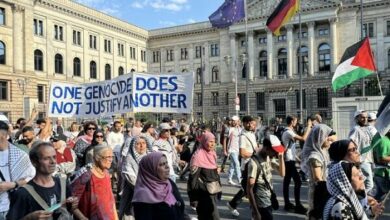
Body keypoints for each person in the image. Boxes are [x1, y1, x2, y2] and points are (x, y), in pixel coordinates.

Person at [7, 141, 85, 220]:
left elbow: (72, 209)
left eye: (54, 157)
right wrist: (30, 218)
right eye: (46, 158)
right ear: (34, 162)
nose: (53, 162)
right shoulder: (23, 193)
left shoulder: (62, 183)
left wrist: (75, 209)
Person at [132, 152, 185, 220]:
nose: (167, 167)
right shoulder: (143, 194)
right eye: (161, 164)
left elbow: (181, 210)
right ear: (151, 169)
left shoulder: (169, 183)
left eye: (166, 163)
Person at [71, 144, 118, 219]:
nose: (111, 160)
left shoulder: (106, 173)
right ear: (97, 158)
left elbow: (111, 200)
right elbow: (72, 203)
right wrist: (83, 218)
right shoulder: (85, 175)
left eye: (112, 157)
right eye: (108, 157)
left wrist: (116, 217)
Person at [0, 121, 35, 220]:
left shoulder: (20, 155)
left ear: (5, 135)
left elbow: (32, 178)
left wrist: (13, 184)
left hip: (12, 206)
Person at [301, 124, 336, 219]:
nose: (329, 139)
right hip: (319, 191)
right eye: (326, 136)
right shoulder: (315, 156)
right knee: (317, 214)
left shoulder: (323, 151)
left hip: (326, 188)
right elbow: (318, 178)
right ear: (319, 138)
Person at [247, 134, 285, 220]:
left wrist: (281, 157)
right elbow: (249, 189)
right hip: (260, 202)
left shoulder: (269, 157)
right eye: (274, 151)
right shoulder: (254, 163)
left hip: (268, 198)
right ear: (266, 148)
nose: (276, 153)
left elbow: (282, 173)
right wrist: (256, 212)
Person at [227, 115, 258, 217]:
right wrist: (254, 154)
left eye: (252, 123)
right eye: (248, 123)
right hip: (247, 166)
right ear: (244, 123)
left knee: (247, 188)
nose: (250, 125)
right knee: (251, 189)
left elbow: (255, 148)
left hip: (254, 164)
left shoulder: (252, 134)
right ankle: (255, 212)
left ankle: (233, 204)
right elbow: (242, 153)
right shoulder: (243, 136)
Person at [282, 115, 312, 214]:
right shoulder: (288, 132)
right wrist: (308, 126)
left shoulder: (289, 131)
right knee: (297, 182)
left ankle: (287, 204)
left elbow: (290, 148)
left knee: (287, 182)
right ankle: (298, 205)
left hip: (290, 159)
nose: (297, 122)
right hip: (288, 160)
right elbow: (303, 139)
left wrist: (298, 159)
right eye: (295, 121)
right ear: (291, 122)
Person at [188, 131, 221, 220]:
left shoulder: (212, 153)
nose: (212, 144)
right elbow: (192, 179)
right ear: (204, 141)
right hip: (202, 193)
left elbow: (214, 174)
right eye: (210, 141)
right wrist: (193, 198)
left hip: (212, 191)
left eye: (214, 141)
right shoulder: (198, 156)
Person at [119, 137, 149, 219]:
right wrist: (146, 189)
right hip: (132, 193)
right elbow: (131, 178)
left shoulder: (150, 157)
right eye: (138, 144)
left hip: (149, 194)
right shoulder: (129, 159)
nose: (141, 146)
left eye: (143, 143)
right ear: (133, 146)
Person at [349, 110, 375, 193]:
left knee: (363, 184)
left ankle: (362, 201)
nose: (365, 119)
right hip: (361, 161)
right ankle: (362, 200)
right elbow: (352, 146)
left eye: (367, 117)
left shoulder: (366, 129)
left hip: (368, 160)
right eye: (362, 117)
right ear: (357, 118)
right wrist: (356, 162)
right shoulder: (355, 129)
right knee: (369, 184)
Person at [372, 131, 390, 201]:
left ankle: (373, 209)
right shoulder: (384, 141)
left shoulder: (386, 140)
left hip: (380, 173)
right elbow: (381, 158)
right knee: (381, 194)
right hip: (384, 174)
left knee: (380, 194)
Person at [226, 116, 242, 186]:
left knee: (232, 165)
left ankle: (229, 179)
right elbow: (225, 140)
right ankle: (240, 180)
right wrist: (225, 150)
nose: (235, 122)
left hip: (238, 149)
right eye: (233, 121)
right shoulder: (230, 129)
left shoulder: (240, 129)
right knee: (237, 164)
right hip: (231, 149)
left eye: (236, 121)